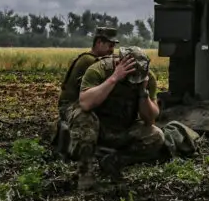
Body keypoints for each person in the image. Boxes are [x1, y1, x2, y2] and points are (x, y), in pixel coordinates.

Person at [69, 45, 167, 188]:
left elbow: (150, 119)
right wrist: (114, 78)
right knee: (83, 117)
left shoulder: (146, 78)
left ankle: (114, 160)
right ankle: (85, 170)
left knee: (156, 136)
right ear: (117, 63)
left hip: (124, 127)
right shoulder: (99, 70)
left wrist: (143, 93)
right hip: (98, 128)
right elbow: (86, 103)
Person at [50, 26, 119, 158]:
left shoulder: (93, 59)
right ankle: (78, 151)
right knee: (87, 119)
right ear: (99, 43)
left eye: (113, 46)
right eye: (110, 45)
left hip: (82, 100)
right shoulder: (90, 61)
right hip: (70, 105)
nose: (112, 50)